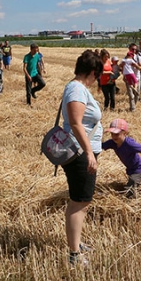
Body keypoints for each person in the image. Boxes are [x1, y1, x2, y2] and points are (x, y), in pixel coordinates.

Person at [60, 49, 104, 266]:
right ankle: (74, 255)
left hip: (81, 151)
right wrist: (88, 153)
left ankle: (76, 244)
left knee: (81, 201)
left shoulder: (77, 88)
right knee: (80, 202)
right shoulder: (77, 89)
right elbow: (76, 123)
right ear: (92, 72)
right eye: (98, 74)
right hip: (79, 153)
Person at [120, 46, 141, 112]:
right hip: (129, 77)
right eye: (132, 49)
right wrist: (123, 75)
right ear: (129, 49)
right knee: (131, 95)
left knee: (137, 95)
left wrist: (137, 66)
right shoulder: (126, 58)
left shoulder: (138, 58)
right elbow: (121, 67)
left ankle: (133, 106)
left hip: (137, 77)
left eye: (135, 49)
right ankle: (133, 109)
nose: (134, 50)